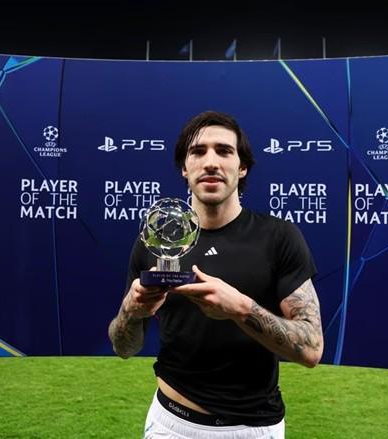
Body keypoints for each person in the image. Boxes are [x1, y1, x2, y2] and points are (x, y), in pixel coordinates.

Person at [108, 111, 323, 438]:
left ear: (242, 166)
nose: (211, 162)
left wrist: (240, 308)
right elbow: (124, 348)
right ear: (184, 167)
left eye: (224, 151)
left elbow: (311, 349)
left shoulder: (279, 237)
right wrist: (131, 311)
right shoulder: (157, 242)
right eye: (198, 151)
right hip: (170, 425)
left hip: (253, 428)